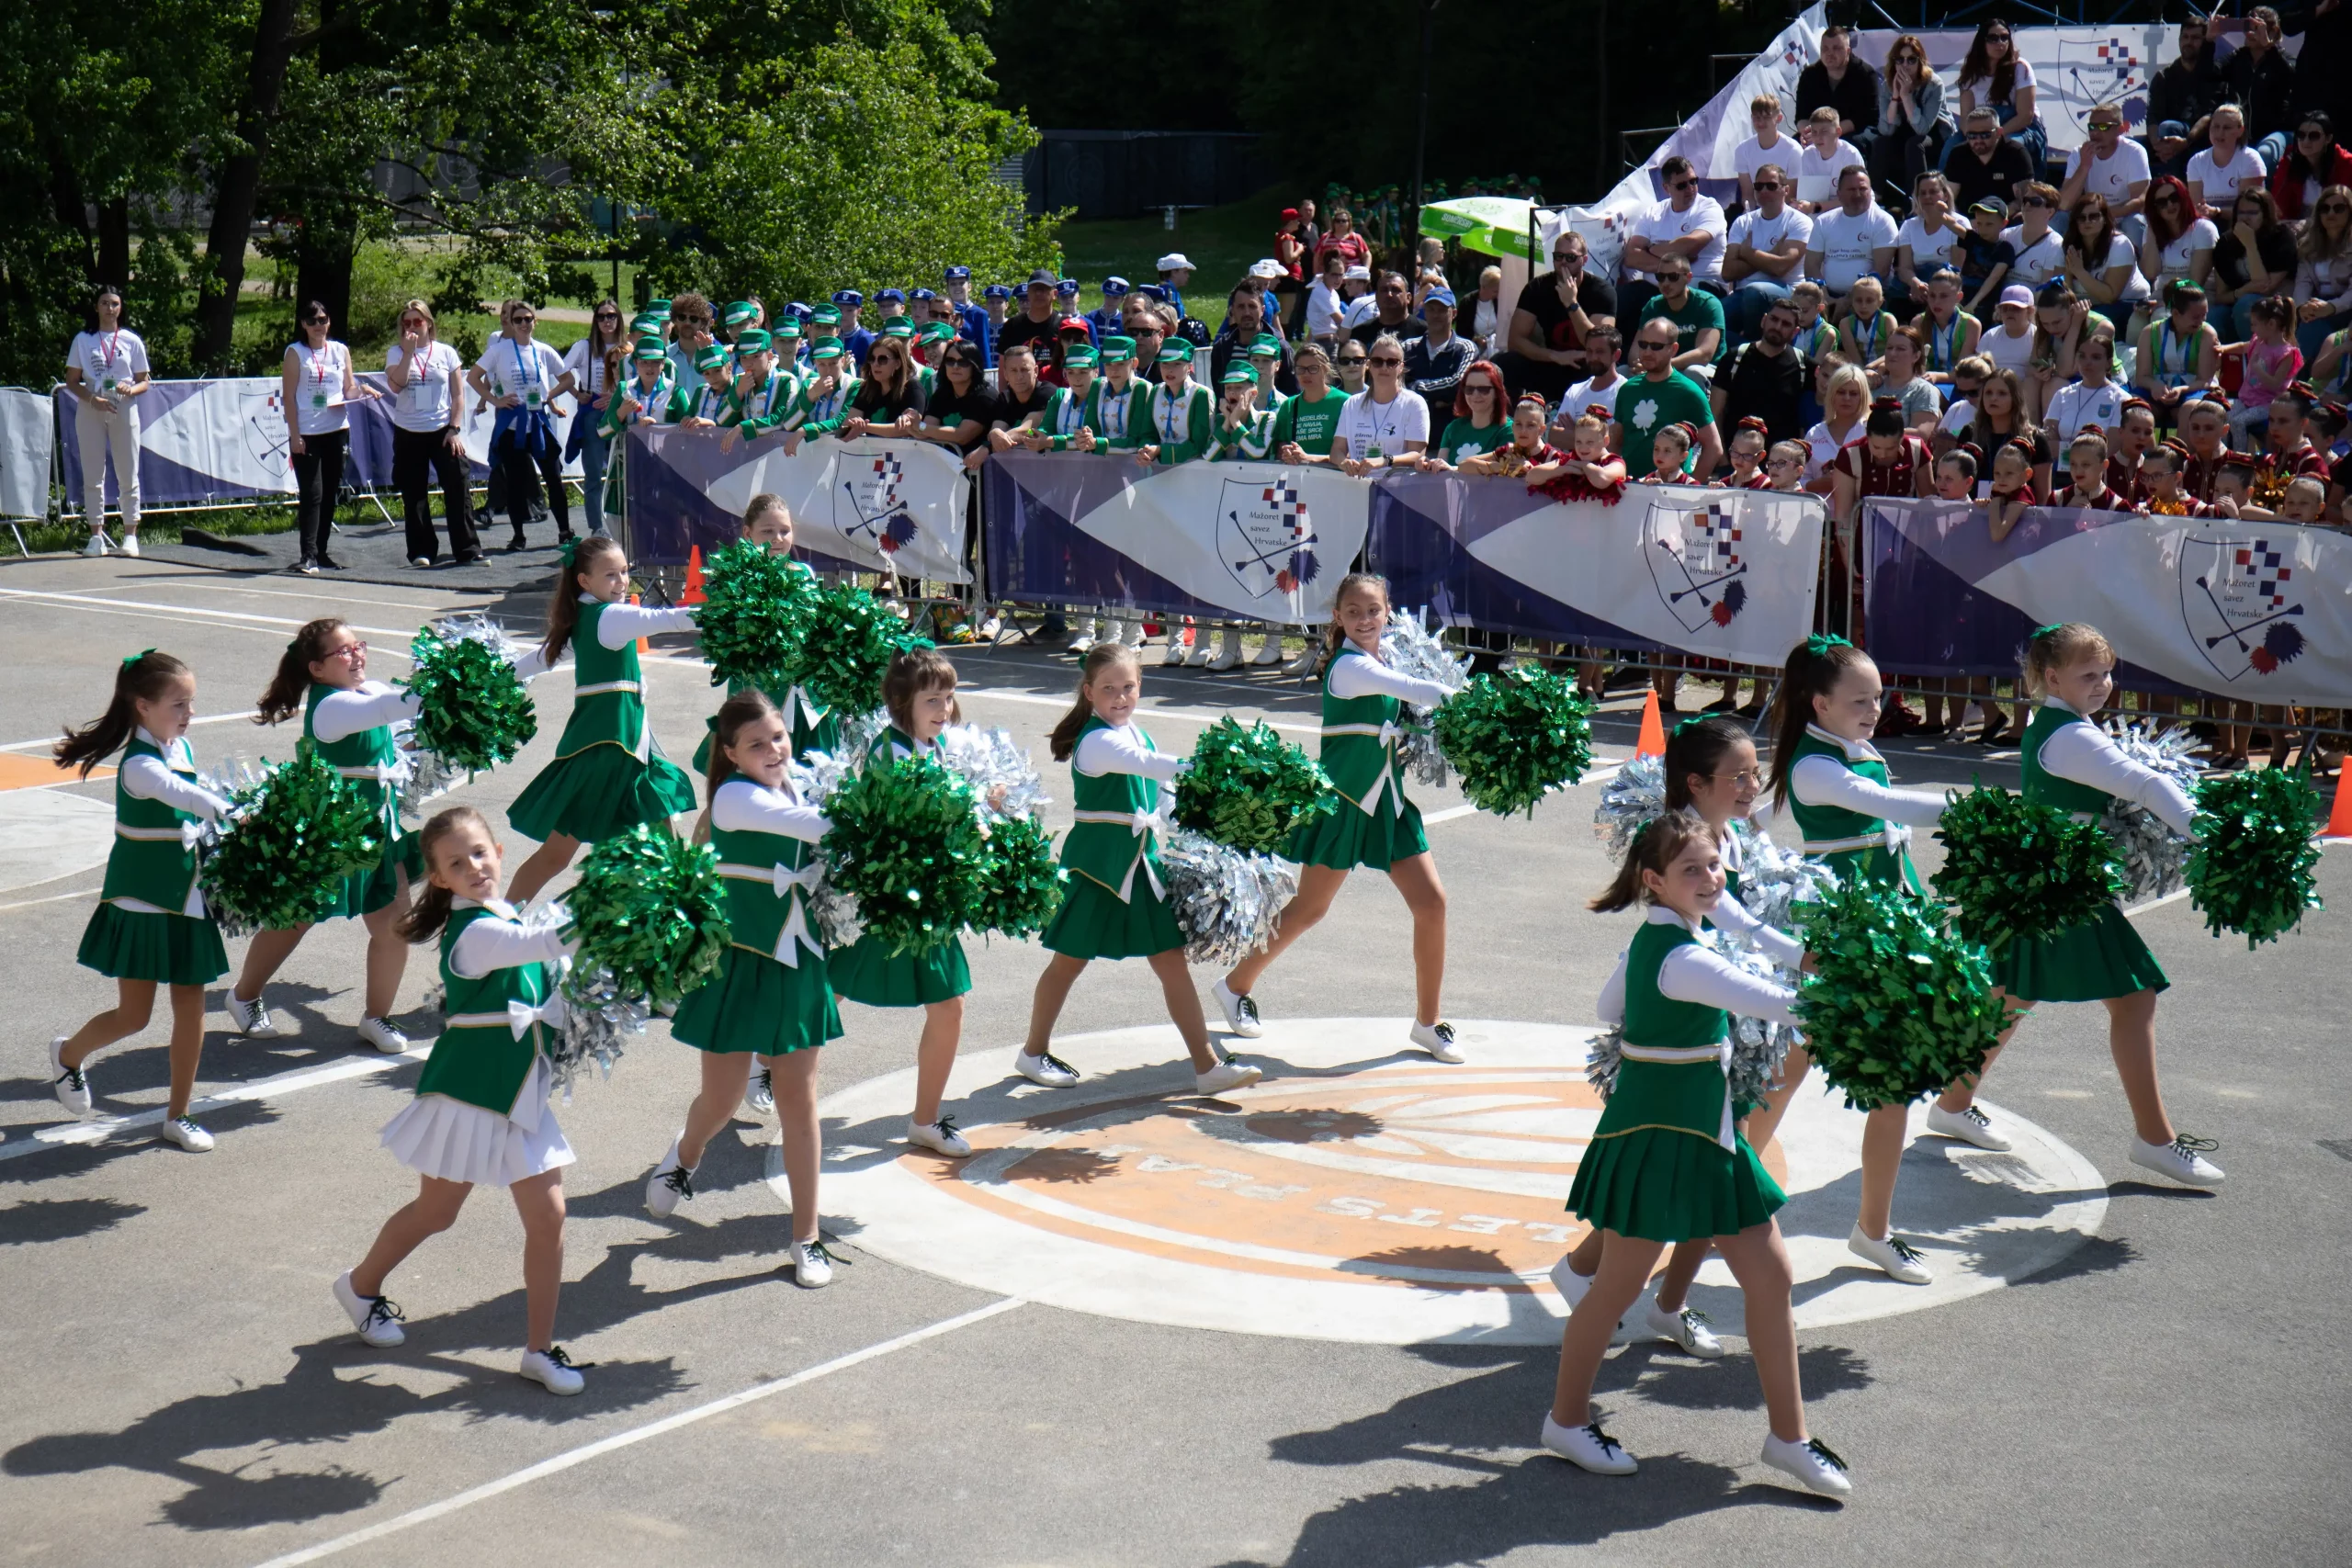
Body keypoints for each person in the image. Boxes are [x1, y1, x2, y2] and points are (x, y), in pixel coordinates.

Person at [1542, 807, 1852, 1498]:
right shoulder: (1684, 957)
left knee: (1770, 1276)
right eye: (1692, 869)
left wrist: (1797, 953)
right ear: (1654, 879)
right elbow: (1780, 1003)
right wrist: (1858, 984)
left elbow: (1606, 1006)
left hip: (1703, 1135)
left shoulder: (1661, 937)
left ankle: (1789, 1438)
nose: (1711, 877)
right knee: (1616, 1287)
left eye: (1715, 864)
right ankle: (1565, 1421)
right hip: (1662, 1141)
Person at [1941, 624, 2225, 1187]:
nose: (2104, 684)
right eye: (2088, 675)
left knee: (2011, 997)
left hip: (2050, 883)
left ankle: (1951, 1105)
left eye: (2107, 673)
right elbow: (2142, 784)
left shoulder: (2063, 724)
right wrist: (2212, 833)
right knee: (2133, 997)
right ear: (2052, 678)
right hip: (2062, 887)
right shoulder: (2070, 737)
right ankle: (2155, 1139)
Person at [334, 805, 588, 1393]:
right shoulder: (475, 934)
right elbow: (545, 940)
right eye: (455, 863)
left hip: (519, 1095)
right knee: (437, 1213)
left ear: (499, 853)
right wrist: (618, 901)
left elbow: (548, 956)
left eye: (479, 853)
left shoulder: (506, 916)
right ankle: (360, 1286)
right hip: (467, 1096)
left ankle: (538, 1350)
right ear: (441, 880)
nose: (472, 866)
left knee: (549, 1217)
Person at [1745, 635, 1973, 1285]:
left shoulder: (1848, 747)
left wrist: (1747, 826)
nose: (1875, 708)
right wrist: (1975, 809)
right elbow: (1887, 806)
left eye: (1879, 696)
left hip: (1890, 928)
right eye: (1860, 699)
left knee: (1892, 1084)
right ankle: (1725, 1202)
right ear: (1819, 702)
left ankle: (1873, 1231)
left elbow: (1768, 812)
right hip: (1842, 932)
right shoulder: (1816, 764)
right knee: (1787, 1070)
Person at [1215, 572, 1463, 1065]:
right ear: (1338, 617)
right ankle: (1234, 985)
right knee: (1309, 910)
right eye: (1354, 612)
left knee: (1432, 903)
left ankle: (1427, 1023)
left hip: (1387, 803)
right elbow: (1412, 689)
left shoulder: (1383, 656)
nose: (1365, 619)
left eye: (1373, 610)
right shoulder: (1349, 667)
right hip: (1344, 807)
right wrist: (1473, 702)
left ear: (1388, 611)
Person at [645, 693, 842, 1282]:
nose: (774, 750)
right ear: (729, 754)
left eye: (779, 737)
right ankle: (685, 1155)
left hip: (796, 959)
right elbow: (816, 827)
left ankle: (806, 1237)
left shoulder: (801, 785)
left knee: (799, 1104)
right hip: (736, 961)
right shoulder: (732, 798)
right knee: (723, 1098)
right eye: (757, 743)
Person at [1017, 643, 1265, 1095]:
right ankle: (1033, 1052)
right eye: (1109, 689)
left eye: (1128, 687)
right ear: (1089, 692)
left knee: (1172, 964)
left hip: (1142, 868)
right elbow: (1148, 766)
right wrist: (1218, 769)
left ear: (1140, 687)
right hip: (1097, 871)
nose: (1120, 697)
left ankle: (1207, 1066)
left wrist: (1204, 829)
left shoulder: (1140, 734)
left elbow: (1162, 797)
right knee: (1067, 964)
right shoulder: (1096, 740)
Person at [47, 649, 231, 1150]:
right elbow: (186, 797)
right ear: (143, 707)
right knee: (135, 1015)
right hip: (143, 899)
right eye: (179, 704)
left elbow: (194, 802)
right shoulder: (139, 767)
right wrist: (232, 809)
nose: (188, 714)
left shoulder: (180, 749)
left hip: (186, 896)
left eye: (191, 703)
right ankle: (67, 1057)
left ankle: (179, 1114)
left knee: (191, 1005)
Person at [220, 619, 421, 1051]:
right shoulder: (331, 708)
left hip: (378, 830)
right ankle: (244, 995)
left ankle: (376, 1017)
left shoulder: (367, 691)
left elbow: (395, 707)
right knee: (295, 920)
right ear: (316, 669)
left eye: (359, 646)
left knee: (394, 925)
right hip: (330, 832)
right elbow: (394, 708)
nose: (357, 655)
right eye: (344, 652)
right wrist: (441, 690)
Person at [824, 650, 977, 1156]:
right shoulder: (890, 750)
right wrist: (971, 808)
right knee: (831, 986)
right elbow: (915, 818)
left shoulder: (934, 747)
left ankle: (925, 1120)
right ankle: (764, 1062)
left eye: (949, 697)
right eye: (932, 699)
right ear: (900, 702)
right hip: (888, 899)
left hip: (927, 900)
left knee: (950, 1005)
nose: (944, 708)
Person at [503, 536, 699, 906]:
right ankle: (501, 921)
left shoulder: (586, 618)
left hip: (628, 745)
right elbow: (667, 618)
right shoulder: (611, 617)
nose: (622, 581)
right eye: (610, 574)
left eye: (625, 572)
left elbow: (537, 660)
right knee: (559, 853)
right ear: (584, 581)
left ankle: (681, 914)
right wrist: (724, 613)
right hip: (607, 751)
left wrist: (497, 677)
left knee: (659, 833)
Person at [282, 300, 380, 573]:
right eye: (312, 321)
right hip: (308, 433)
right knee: (312, 494)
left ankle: (322, 552)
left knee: (329, 494)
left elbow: (348, 390)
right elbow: (288, 398)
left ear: (329, 321)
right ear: (303, 324)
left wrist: (363, 390)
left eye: (322, 320)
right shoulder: (295, 353)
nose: (318, 326)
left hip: (337, 431)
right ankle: (308, 555)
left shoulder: (340, 351)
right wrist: (295, 434)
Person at [469, 300, 571, 555]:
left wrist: (550, 396)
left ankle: (565, 531)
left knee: (554, 478)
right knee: (514, 482)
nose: (524, 324)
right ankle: (518, 536)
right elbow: (473, 377)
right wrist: (495, 400)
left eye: (528, 319)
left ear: (535, 321)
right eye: (518, 320)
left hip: (538, 421)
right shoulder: (499, 350)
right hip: (512, 423)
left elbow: (568, 378)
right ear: (511, 324)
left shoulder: (544, 350)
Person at [384, 299, 480, 566]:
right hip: (408, 431)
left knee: (458, 487)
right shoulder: (396, 353)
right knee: (414, 493)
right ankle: (422, 551)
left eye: (417, 321)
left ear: (428, 323)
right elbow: (396, 385)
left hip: (441, 430)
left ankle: (467, 549)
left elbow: (458, 394)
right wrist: (407, 353)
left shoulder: (446, 353)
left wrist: (454, 428)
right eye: (407, 323)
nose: (413, 326)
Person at [66, 286, 151, 557]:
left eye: (114, 303)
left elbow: (144, 382)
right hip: (91, 407)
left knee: (128, 471)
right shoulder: (83, 339)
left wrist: (130, 390)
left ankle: (130, 535)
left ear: (121, 308)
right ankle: (96, 536)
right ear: (96, 307)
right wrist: (92, 399)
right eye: (104, 303)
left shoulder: (131, 340)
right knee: (92, 473)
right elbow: (72, 381)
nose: (109, 308)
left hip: (123, 408)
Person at [1506, 231, 1616, 405]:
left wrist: (1572, 304)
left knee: (1596, 364)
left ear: (1584, 260)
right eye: (1558, 256)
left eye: (1571, 257)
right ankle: (1511, 421)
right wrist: (1554, 356)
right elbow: (1515, 340)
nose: (1563, 261)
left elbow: (1599, 344)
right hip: (1550, 360)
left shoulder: (1601, 291)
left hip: (1585, 365)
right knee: (1505, 362)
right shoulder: (1538, 287)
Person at [1622, 157, 1728, 327]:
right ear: (1666, 188)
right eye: (1681, 185)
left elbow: (1690, 245)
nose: (1690, 188)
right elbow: (1631, 256)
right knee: (1623, 297)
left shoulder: (1709, 208)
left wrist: (1652, 249)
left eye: (1693, 181)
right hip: (1657, 287)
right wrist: (1670, 270)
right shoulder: (1653, 213)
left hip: (1701, 285)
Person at [1621, 321, 1724, 479]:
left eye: (1656, 346)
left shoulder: (1689, 392)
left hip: (1671, 493)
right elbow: (1614, 441)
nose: (1647, 351)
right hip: (1631, 490)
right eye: (1643, 344)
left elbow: (1714, 448)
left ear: (1673, 349)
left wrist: (1689, 489)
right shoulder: (1627, 389)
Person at [1723, 164, 1812, 344]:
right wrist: (1768, 254)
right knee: (1714, 317)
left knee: (1756, 292)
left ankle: (1754, 346)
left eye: (1771, 186)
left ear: (1785, 189)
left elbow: (1780, 268)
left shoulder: (1799, 222)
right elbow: (1727, 272)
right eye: (1758, 186)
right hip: (1743, 294)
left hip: (1786, 291)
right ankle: (1747, 348)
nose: (1763, 190)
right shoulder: (1743, 222)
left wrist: (1747, 253)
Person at [560, 299, 625, 539]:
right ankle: (597, 528)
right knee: (594, 474)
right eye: (601, 316)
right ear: (595, 321)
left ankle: (623, 526)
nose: (606, 321)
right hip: (593, 412)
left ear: (619, 318)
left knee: (624, 473)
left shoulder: (627, 347)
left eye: (611, 316)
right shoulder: (584, 347)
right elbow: (560, 370)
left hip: (622, 411)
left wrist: (616, 398)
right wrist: (577, 393)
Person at [1330, 335, 1430, 474]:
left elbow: (1418, 454)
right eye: (1378, 361)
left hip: (1398, 488)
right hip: (1358, 486)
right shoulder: (1352, 404)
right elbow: (1337, 450)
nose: (1384, 367)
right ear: (1369, 365)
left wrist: (1385, 460)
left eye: (1391, 362)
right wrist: (1344, 462)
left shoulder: (1414, 403)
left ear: (1401, 367)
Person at [1713, 299, 1807, 445]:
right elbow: (1715, 414)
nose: (1777, 326)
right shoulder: (1734, 358)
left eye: (1786, 324)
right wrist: (1723, 460)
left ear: (1795, 332)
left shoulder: (1803, 365)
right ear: (1764, 320)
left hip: (1783, 462)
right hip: (1737, 459)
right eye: (1773, 319)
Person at [2211, 186, 2298, 344]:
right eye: (2241, 213)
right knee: (2214, 316)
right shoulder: (2225, 243)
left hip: (2275, 308)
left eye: (2252, 213)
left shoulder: (2282, 238)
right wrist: (2243, 290)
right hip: (2238, 304)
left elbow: (2265, 287)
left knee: (2248, 304)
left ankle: (2259, 357)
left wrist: (2250, 244)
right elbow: (2221, 296)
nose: (2245, 218)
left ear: (2265, 215)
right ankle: (2226, 364)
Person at [1956, 18, 2043, 172]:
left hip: (2020, 129)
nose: (2000, 42)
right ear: (1982, 42)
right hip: (1980, 131)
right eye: (1993, 38)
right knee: (1952, 148)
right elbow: (1966, 119)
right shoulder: (1971, 73)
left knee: (2008, 149)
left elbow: (2025, 116)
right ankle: (1946, 193)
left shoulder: (2020, 68)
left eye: (2005, 37)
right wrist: (1975, 138)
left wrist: (1995, 136)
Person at [1872, 32, 1951, 197]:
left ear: (1920, 61)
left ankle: (1916, 200)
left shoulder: (1934, 84)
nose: (1905, 65)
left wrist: (1906, 96)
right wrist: (1895, 96)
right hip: (1903, 132)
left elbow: (1922, 129)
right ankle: (1875, 197)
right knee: (1881, 142)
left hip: (1933, 135)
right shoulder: (1888, 84)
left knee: (1915, 144)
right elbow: (1886, 130)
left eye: (1911, 59)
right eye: (1900, 60)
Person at [2132, 279, 2221, 426]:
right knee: (2134, 409)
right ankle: (2149, 450)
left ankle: (2182, 450)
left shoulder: (2207, 333)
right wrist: (2154, 385)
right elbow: (2142, 377)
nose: (2201, 321)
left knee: (2190, 410)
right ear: (2175, 313)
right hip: (2158, 389)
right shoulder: (2150, 332)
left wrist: (2181, 390)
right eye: (2195, 317)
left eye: (2204, 315)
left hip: (2194, 389)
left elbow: (2205, 380)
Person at [1804, 166, 1897, 301]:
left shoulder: (1882, 221)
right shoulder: (1823, 221)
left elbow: (1881, 270)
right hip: (1826, 296)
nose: (1858, 194)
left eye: (1863, 189)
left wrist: (1849, 300)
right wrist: (1825, 297)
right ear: (1839, 194)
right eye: (1852, 190)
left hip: (1868, 298)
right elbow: (1811, 266)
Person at [2060, 196, 2148, 336]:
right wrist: (2070, 276)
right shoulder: (2070, 244)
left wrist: (2079, 271)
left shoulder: (2120, 244)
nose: (2087, 221)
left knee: (2087, 324)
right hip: (2089, 306)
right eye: (2081, 218)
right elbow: (2067, 293)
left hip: (2126, 304)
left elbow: (2109, 296)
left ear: (2104, 218)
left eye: (2094, 216)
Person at [1967, 365, 2054, 500]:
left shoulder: (2036, 440)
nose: (1993, 398)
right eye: (1988, 393)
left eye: (2002, 393)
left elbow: (2043, 498)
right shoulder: (1969, 434)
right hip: (1973, 514)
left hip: (2019, 516)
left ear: (2015, 398)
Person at [1796, 23, 1881, 164]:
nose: (1830, 53)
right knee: (1795, 145)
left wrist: (1830, 134)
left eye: (1836, 48)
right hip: (1820, 131)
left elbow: (1865, 117)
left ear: (1848, 51)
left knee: (1849, 146)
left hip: (1856, 130)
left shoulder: (1865, 74)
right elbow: (1802, 115)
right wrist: (1808, 134)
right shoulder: (1810, 75)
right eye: (1825, 49)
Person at [2226, 9, 2299, 166]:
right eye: (2248, 26)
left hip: (2277, 132)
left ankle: (2260, 192)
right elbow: (2210, 73)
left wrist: (2268, 46)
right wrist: (2209, 40)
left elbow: (2292, 77)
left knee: (2265, 152)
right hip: (2242, 134)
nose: (2251, 33)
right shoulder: (2238, 57)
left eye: (2257, 27)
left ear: (2274, 31)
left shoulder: (2284, 58)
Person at [2058, 102, 2152, 224]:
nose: (2095, 133)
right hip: (2089, 219)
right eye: (2092, 127)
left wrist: (2101, 215)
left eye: (2103, 127)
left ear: (2120, 129)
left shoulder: (2134, 151)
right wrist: (2084, 166)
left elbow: (2139, 200)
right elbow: (2064, 204)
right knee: (2058, 219)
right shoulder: (2078, 154)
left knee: (2135, 223)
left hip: (2121, 217)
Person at [1939, 107, 2036, 220]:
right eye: (1972, 136)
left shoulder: (2016, 153)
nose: (1978, 140)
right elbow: (1950, 198)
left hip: (2004, 221)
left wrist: (1990, 222)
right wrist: (1963, 223)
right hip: (1967, 224)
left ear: (1999, 132)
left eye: (1985, 135)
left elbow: (2023, 201)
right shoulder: (1958, 154)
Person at [1636, 259, 1724, 379]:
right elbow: (1635, 351)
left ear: (1688, 277)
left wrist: (1663, 365)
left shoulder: (1707, 304)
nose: (1666, 283)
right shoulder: (1653, 306)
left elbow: (1704, 354)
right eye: (1661, 277)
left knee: (1693, 371)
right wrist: (1640, 365)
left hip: (1707, 370)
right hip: (1661, 368)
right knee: (1623, 371)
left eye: (1673, 277)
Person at [2292, 186, 2352, 362]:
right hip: (2317, 306)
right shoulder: (2308, 245)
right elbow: (2302, 283)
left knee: (2314, 327)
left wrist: (2331, 307)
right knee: (2311, 324)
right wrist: (2302, 307)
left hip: (2346, 308)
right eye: (2325, 209)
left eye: (2339, 208)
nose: (2330, 213)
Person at [2139, 175, 2218, 308]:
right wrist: (2152, 226)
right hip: (2162, 295)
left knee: (2160, 318)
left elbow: (2195, 283)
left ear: (2184, 198)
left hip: (2198, 298)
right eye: (2162, 202)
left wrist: (2164, 305)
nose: (2170, 205)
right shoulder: (2151, 231)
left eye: (2174, 198)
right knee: (2136, 320)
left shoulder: (2204, 229)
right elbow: (2151, 272)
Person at [2042, 321, 2128, 442]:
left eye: (2096, 357)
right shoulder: (2062, 395)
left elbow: (2110, 448)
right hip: (2061, 461)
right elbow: (2048, 443)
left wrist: (2063, 449)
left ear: (2109, 363)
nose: (2087, 362)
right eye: (2082, 356)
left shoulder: (2121, 399)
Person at [1893, 171, 1966, 310]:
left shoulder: (1960, 223)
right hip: (1917, 283)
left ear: (1945, 195)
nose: (1927, 197)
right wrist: (1916, 283)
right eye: (1923, 193)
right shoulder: (1909, 226)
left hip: (1947, 282)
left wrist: (1931, 290)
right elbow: (1904, 268)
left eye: (1933, 192)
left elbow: (1957, 268)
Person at [1211, 281, 1297, 396]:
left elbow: (1292, 393)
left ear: (1262, 310)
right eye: (1241, 307)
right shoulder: (1222, 348)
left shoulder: (1280, 348)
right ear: (1232, 311)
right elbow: (1219, 392)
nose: (1247, 312)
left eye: (1252, 306)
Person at [1427, 358, 1512, 468]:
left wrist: (1452, 469)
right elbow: (1440, 469)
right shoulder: (1453, 428)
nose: (1475, 394)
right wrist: (1429, 465)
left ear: (1497, 392)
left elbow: (1500, 472)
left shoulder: (1508, 430)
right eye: (1469, 389)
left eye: (1483, 389)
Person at [2187, 103, 2267, 218]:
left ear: (2240, 130)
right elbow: (2197, 207)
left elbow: (2247, 210)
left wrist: (2216, 211)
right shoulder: (2196, 162)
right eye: (2216, 126)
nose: (2220, 133)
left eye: (2227, 128)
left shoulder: (2250, 159)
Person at [1804, 361, 1871, 489]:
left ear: (1863, 397)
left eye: (1853, 393)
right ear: (1831, 395)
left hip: (1860, 507)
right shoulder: (1814, 433)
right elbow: (1800, 479)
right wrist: (1819, 485)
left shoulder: (1871, 431)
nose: (1847, 398)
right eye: (1841, 392)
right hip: (1820, 507)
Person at [1404, 288, 1476, 406]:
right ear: (1425, 312)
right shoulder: (1407, 347)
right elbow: (1394, 382)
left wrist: (1415, 387)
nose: (1436, 315)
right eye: (1431, 309)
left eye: (1442, 310)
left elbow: (1459, 383)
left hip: (1450, 422)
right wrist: (1440, 398)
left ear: (1454, 314)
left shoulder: (1466, 349)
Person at [1792, 108, 1866, 214]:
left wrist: (1816, 207)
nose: (1818, 137)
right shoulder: (1808, 154)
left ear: (1838, 132)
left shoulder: (1850, 155)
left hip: (1853, 209)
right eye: (1814, 132)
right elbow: (1809, 196)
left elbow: (1854, 198)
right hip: (1820, 210)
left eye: (1824, 132)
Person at [1916, 268, 1983, 380]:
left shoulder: (1971, 325)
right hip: (1924, 380)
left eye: (1943, 296)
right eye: (1932, 295)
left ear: (1959, 297)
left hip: (1957, 383)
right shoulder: (1918, 322)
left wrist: (1936, 376)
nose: (1936, 302)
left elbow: (1963, 371)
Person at [1736, 93, 1798, 209]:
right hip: (1757, 211)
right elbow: (1748, 195)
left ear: (1778, 118)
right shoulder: (1742, 150)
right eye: (1757, 117)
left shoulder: (1794, 150)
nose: (1760, 122)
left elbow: (1790, 196)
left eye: (1766, 117)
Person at [1999, 185, 2066, 290]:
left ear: (2050, 212)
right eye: (2025, 200)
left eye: (2035, 202)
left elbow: (2047, 290)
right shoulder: (2006, 235)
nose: (2028, 205)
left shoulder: (2055, 244)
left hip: (2032, 304)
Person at [1558, 324, 1625, 428]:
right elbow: (1554, 436)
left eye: (1600, 352)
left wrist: (1575, 430)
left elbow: (1614, 442)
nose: (1593, 357)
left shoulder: (1625, 391)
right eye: (1589, 351)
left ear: (1616, 355)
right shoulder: (1575, 391)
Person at [1959, 198, 2017, 318]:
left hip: (1985, 305)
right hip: (1962, 299)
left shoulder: (2005, 248)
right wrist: (1941, 212)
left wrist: (1974, 302)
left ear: (2004, 223)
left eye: (1989, 224)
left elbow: (1993, 278)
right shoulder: (1973, 238)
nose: (1983, 229)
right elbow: (1952, 225)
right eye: (1979, 223)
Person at [1349, 271, 1426, 349]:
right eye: (1384, 290)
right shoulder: (1360, 333)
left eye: (1395, 290)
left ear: (1408, 297)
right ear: (1376, 296)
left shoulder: (1424, 332)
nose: (1389, 294)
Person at [1980, 283, 2039, 381]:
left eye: (2016, 308)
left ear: (2030, 311)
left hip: (2024, 389)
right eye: (2005, 308)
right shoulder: (1990, 335)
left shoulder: (2037, 335)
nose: (2009, 313)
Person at [1314, 209, 1370, 274]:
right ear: (1333, 222)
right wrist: (1316, 275)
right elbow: (1316, 257)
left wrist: (1365, 270)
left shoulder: (1356, 238)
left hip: (1352, 278)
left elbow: (1367, 255)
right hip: (1329, 278)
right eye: (1338, 221)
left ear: (1349, 222)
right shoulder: (1325, 237)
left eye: (1344, 221)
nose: (1341, 223)